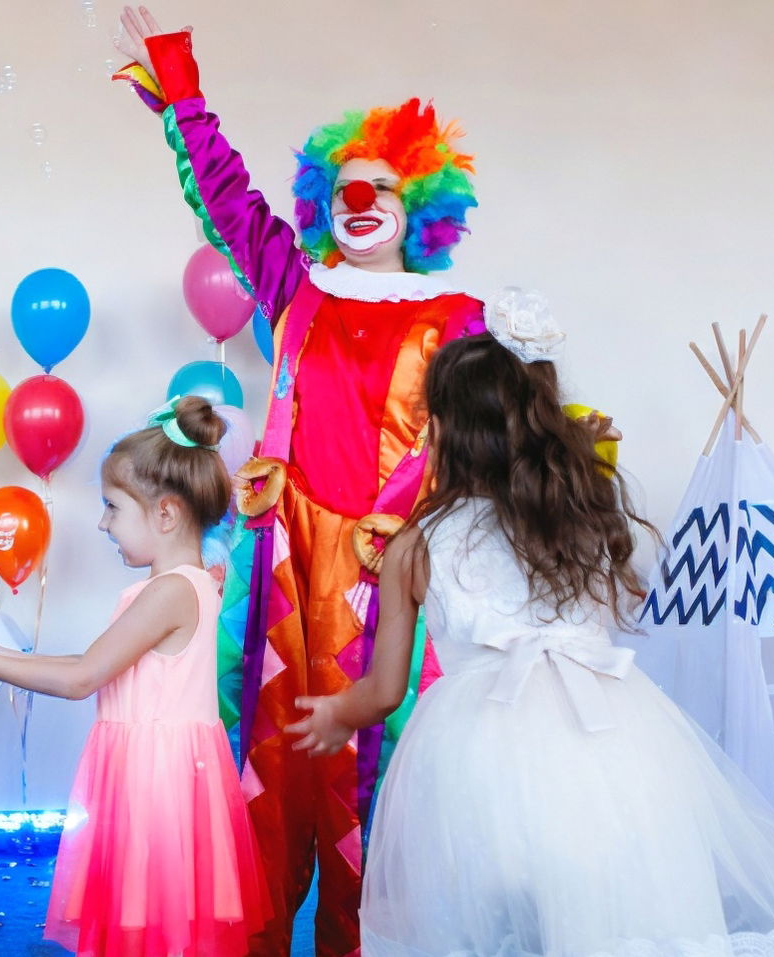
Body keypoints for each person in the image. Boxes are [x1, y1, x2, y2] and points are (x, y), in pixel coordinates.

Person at [288, 297, 774, 955]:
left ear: (445, 430)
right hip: (609, 736)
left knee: (493, 919)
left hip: (478, 758)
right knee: (608, 905)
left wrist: (336, 714)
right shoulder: (578, 520)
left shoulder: (416, 543)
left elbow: (382, 690)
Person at [111, 9, 488, 953]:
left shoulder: (460, 314)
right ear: (327, 201)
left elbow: (483, 445)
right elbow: (227, 203)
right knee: (266, 787)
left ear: (422, 208)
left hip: (388, 576)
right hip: (278, 572)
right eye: (347, 188)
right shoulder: (300, 286)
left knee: (376, 793)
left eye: (383, 187)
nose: (361, 200)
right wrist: (182, 94)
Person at [0, 396, 269, 957]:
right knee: (149, 920)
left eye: (112, 508)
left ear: (166, 513)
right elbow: (90, 665)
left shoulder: (171, 591)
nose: (103, 523)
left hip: (157, 783)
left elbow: (82, 677)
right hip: (151, 774)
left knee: (156, 924)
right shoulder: (179, 586)